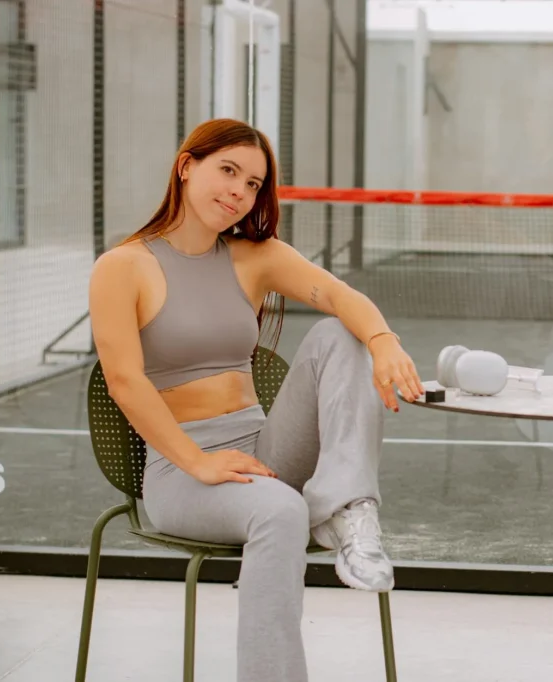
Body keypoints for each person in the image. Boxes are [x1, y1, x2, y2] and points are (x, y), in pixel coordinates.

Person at [87, 117, 424, 682]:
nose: (238, 192)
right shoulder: (122, 267)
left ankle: (351, 510)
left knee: (343, 332)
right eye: (227, 171)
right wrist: (199, 461)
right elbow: (124, 381)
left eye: (252, 184)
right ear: (186, 165)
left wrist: (383, 341)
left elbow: (342, 296)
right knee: (281, 509)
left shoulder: (254, 256)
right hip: (181, 468)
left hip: (263, 446)